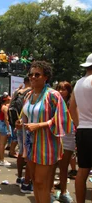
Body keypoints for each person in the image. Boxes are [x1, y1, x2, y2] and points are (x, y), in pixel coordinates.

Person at [16, 61, 73, 203]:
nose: (33, 77)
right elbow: (25, 115)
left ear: (45, 77)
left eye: (37, 74)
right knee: (34, 180)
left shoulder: (53, 95)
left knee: (42, 181)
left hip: (46, 144)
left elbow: (63, 118)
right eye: (31, 74)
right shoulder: (28, 96)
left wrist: (40, 125)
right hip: (30, 143)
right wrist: (20, 123)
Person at [69, 53, 92, 203]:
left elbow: (71, 108)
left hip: (83, 130)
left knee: (82, 171)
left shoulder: (78, 83)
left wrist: (79, 124)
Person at [52, 81, 75, 202]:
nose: (61, 91)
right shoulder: (52, 101)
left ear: (69, 91)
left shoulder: (72, 102)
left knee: (64, 166)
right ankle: (50, 191)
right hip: (55, 134)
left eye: (64, 89)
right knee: (52, 165)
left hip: (69, 135)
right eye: (59, 89)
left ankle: (64, 191)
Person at [12, 77, 33, 194]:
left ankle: (20, 177)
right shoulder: (32, 93)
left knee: (21, 151)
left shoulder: (18, 92)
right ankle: (26, 183)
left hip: (19, 123)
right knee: (30, 154)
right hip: (29, 126)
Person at [0, 92, 12, 166]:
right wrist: (8, 129)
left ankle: (0, 159)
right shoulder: (5, 108)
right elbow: (6, 119)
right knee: (3, 144)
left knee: (0, 144)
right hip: (3, 125)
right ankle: (2, 160)